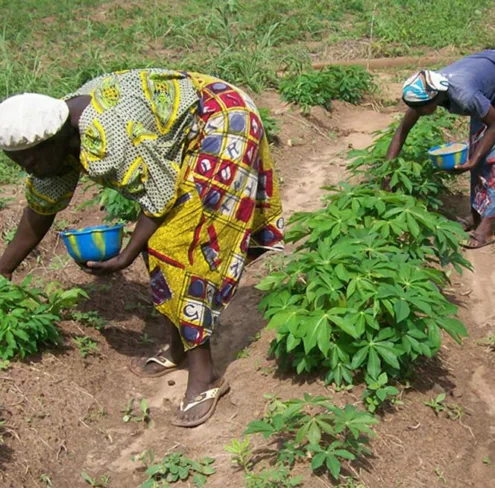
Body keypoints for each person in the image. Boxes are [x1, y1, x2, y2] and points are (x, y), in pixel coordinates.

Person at [0, 69, 284, 427]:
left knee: (174, 245)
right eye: (21, 164)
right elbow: (39, 211)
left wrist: (127, 255)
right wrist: (4, 270)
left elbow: (160, 196)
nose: (32, 169)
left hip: (223, 121)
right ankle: (180, 344)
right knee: (157, 241)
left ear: (57, 138)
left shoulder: (106, 135)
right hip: (185, 133)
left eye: (34, 160)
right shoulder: (56, 144)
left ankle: (205, 374)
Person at [387, 50, 495, 249]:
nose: (418, 112)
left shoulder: (463, 94)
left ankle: (487, 226)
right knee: (479, 147)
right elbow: (401, 131)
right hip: (490, 84)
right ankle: (477, 214)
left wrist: (473, 160)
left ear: (434, 99)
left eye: (420, 108)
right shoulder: (425, 90)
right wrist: (386, 174)